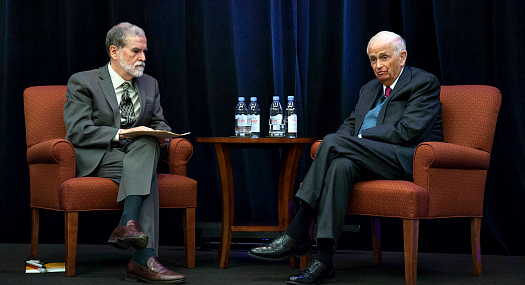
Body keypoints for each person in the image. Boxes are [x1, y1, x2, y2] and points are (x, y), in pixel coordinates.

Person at [248, 31, 443, 284]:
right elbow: (351, 125)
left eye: (384, 57)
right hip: (366, 158)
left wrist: (354, 141)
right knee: (340, 165)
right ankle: (324, 261)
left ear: (402, 56)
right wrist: (346, 143)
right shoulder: (369, 88)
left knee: (331, 142)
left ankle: (297, 232)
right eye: (373, 59)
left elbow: (407, 131)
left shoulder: (424, 83)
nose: (378, 65)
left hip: (403, 158)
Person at [64, 22, 185, 284]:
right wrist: (122, 134)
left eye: (144, 51)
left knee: (146, 145)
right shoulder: (83, 81)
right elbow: (77, 130)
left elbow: (159, 122)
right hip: (102, 155)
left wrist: (162, 135)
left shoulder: (150, 84)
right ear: (114, 51)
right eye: (135, 51)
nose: (143, 57)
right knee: (146, 173)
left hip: (139, 152)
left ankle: (128, 227)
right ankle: (144, 258)